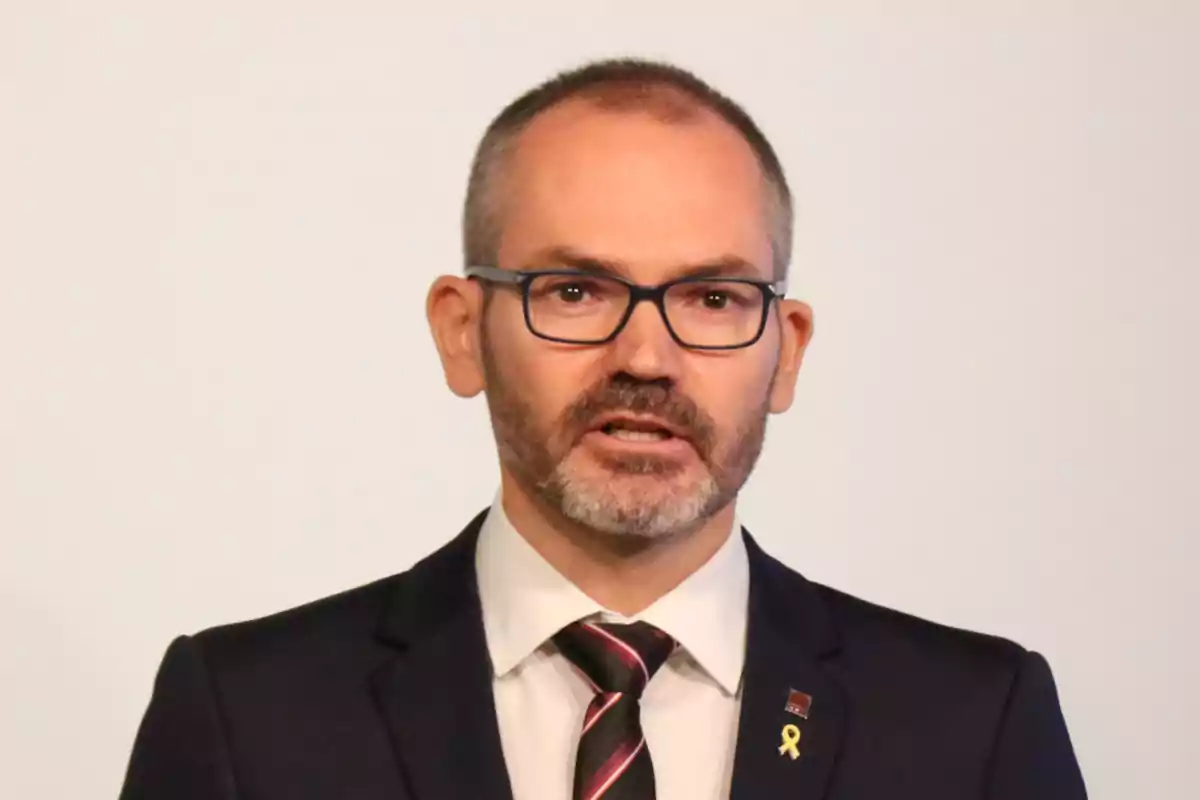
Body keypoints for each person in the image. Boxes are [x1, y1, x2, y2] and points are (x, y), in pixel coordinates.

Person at [118, 58, 1087, 800]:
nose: (645, 356)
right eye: (575, 289)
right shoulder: (245, 716)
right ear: (463, 331)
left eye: (712, 296)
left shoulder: (974, 725)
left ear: (784, 349)